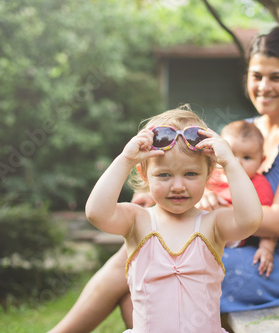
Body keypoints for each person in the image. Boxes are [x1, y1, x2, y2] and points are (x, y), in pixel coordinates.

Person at [49, 26, 279, 332]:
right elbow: (200, 179)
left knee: (143, 255)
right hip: (237, 245)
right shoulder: (245, 128)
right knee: (141, 265)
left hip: (276, 259)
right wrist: (156, 199)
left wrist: (205, 203)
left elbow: (278, 221)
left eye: (276, 77)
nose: (264, 86)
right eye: (257, 76)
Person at [83, 108, 262, 332]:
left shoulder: (213, 224)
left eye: (190, 174)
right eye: (164, 175)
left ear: (208, 174)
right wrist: (125, 159)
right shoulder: (137, 221)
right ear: (143, 174)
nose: (178, 186)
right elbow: (96, 213)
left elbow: (251, 220)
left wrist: (230, 163)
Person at [207, 120, 277, 277]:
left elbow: (269, 227)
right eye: (230, 154)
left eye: (246, 157)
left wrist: (266, 248)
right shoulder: (211, 176)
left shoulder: (258, 185)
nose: (236, 162)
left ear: (261, 160)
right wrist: (205, 195)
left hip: (232, 238)